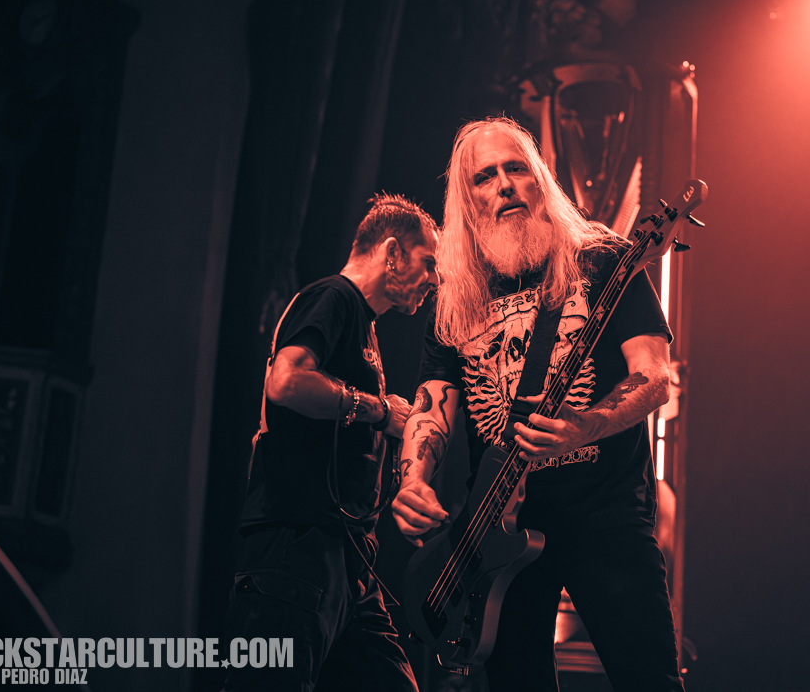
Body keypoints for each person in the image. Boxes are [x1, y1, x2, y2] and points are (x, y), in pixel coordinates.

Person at [391, 117, 684, 692]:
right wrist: (414, 481)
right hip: (499, 526)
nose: (504, 184)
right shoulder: (456, 293)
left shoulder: (603, 260)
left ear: (540, 180)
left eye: (516, 168)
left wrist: (586, 425)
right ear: (467, 200)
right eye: (485, 177)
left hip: (606, 517)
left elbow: (653, 376)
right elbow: (433, 402)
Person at [221, 193, 439, 692]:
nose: (435, 278)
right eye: (428, 262)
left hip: (347, 562)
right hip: (296, 549)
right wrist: (379, 410)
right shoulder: (333, 297)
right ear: (392, 252)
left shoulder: (364, 325)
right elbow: (286, 382)